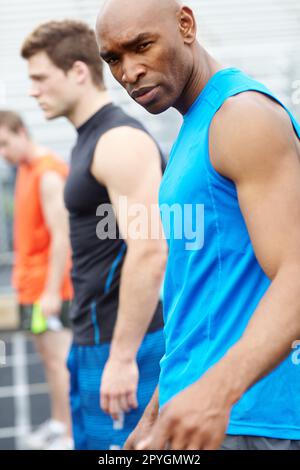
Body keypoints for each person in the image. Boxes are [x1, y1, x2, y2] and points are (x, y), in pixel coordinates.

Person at [96, 0, 300, 450]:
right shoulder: (196, 128)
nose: (129, 71)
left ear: (185, 25)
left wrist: (216, 391)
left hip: (246, 418)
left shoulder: (242, 116)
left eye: (141, 46)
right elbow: (204, 300)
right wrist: (156, 411)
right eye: (113, 59)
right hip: (195, 413)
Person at [21, 20, 167, 450]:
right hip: (91, 341)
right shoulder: (89, 139)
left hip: (120, 348)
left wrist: (122, 359)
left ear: (79, 72)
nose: (32, 90)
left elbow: (150, 248)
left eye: (40, 78)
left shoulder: (119, 140)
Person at [0, 110, 73, 450]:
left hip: (49, 288)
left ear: (21, 132)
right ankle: (60, 424)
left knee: (60, 363)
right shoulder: (25, 170)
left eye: (4, 143)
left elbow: (62, 236)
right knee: (48, 359)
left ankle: (71, 436)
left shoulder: (48, 174)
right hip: (30, 286)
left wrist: (50, 292)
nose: (3, 152)